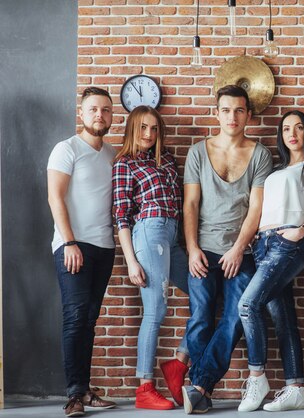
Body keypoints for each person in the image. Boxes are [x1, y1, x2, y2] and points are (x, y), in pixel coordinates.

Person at [180, 85, 273, 415]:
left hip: (242, 252)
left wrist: (238, 249)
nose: (232, 116)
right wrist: (192, 249)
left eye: (239, 110)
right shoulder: (197, 152)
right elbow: (190, 204)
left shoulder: (260, 154)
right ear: (216, 113)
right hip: (203, 249)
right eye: (226, 110)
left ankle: (198, 385)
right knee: (201, 319)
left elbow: (256, 209)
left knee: (237, 317)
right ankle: (199, 390)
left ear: (248, 114)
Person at [236, 110, 304, 412]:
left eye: (299, 127)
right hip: (262, 245)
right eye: (287, 128)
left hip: (287, 244)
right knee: (283, 318)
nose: (293, 133)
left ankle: (257, 375)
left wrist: (298, 232)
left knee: (248, 305)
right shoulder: (274, 171)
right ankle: (295, 388)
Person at [112, 105, 190, 410]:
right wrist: (131, 261)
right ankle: (144, 386)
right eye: (143, 128)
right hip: (148, 231)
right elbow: (121, 217)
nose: (149, 134)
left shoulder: (167, 159)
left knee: (206, 292)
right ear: (133, 129)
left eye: (154, 128)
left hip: (173, 235)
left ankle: (178, 363)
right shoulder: (124, 164)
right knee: (156, 308)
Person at [47, 86, 118, 417]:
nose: (99, 115)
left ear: (111, 116)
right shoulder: (66, 149)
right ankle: (74, 394)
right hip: (73, 246)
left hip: (105, 248)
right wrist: (69, 242)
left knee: (89, 320)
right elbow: (55, 197)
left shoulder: (111, 153)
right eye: (93, 109)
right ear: (82, 113)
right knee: (75, 317)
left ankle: (86, 390)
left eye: (105, 110)